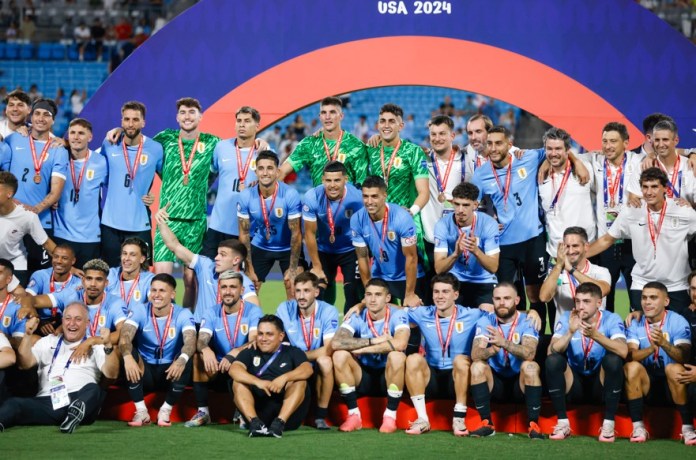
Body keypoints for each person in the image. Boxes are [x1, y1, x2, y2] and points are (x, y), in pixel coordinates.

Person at [471, 126, 549, 330]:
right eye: (490, 143)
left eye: (498, 143)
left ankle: (539, 341)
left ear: (509, 144)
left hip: (533, 239)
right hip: (504, 244)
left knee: (536, 294)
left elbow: (555, 151)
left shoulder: (528, 159)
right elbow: (472, 207)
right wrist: (487, 223)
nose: (493, 148)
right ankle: (515, 338)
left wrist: (574, 162)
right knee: (510, 296)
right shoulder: (481, 174)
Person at [588, 168, 696, 316]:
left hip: (677, 285)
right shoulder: (631, 210)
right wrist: (580, 256)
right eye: (645, 187)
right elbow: (608, 239)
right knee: (643, 334)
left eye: (654, 187)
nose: (649, 192)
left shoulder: (682, 210)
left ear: (665, 188)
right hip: (642, 283)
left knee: (679, 335)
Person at [0, 303, 118, 433]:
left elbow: (111, 374)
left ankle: (75, 414)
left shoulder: (95, 346)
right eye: (68, 318)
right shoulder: (49, 341)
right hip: (47, 402)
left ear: (87, 323)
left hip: (77, 398)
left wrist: (107, 345)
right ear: (62, 321)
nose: (72, 323)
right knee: (14, 404)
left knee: (93, 389)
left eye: (78, 319)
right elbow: (24, 364)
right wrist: (28, 334)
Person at [152, 98, 220, 308]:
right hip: (167, 220)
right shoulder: (165, 138)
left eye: (192, 112)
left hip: (195, 222)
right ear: (177, 117)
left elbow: (235, 152)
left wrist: (259, 143)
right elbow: (142, 151)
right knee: (161, 281)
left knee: (192, 281)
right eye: (183, 112)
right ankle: (161, 326)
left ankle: (188, 323)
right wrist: (117, 130)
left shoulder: (212, 142)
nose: (187, 116)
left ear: (200, 116)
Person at [403, 274, 491, 436]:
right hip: (432, 379)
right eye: (436, 292)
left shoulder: (472, 314)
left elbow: (504, 314)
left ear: (455, 295)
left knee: (461, 360)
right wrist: (360, 305)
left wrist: (531, 312)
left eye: (445, 292)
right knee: (413, 359)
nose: (440, 296)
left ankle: (459, 418)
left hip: (458, 379)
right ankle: (422, 419)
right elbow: (391, 310)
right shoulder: (424, 313)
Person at [545, 282, 627, 442]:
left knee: (613, 360)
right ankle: (562, 423)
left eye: (586, 301)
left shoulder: (611, 318)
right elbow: (550, 351)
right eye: (578, 301)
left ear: (598, 303)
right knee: (553, 361)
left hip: (600, 385)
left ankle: (609, 425)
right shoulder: (568, 317)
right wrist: (570, 331)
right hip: (574, 384)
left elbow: (623, 351)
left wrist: (596, 336)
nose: (580, 306)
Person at [331, 278, 410, 433]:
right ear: (364, 297)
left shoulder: (398, 315)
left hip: (388, 376)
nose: (372, 299)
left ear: (387, 298)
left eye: (378, 295)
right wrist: (373, 340)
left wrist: (362, 350)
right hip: (363, 375)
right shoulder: (357, 315)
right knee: (339, 355)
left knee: (397, 356)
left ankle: (390, 417)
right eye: (369, 294)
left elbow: (400, 343)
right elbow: (336, 343)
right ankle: (354, 415)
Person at [186, 270, 262, 427]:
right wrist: (206, 350)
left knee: (249, 359)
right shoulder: (212, 312)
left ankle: (242, 411)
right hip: (218, 366)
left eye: (233, 287)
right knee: (198, 357)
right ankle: (203, 412)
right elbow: (201, 340)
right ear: (219, 290)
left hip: (242, 365)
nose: (228, 292)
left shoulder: (253, 311)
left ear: (242, 290)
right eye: (224, 287)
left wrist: (233, 354)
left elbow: (254, 341)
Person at [118, 273, 196, 427]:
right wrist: (127, 357)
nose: (156, 295)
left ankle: (165, 410)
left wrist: (181, 360)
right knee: (127, 352)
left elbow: (191, 341)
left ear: (172, 294)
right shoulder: (140, 310)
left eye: (162, 291)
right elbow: (125, 337)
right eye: (153, 290)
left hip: (170, 372)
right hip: (145, 371)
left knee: (186, 357)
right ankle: (141, 412)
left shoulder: (183, 314)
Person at [156, 206, 259, 322]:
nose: (216, 258)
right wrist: (161, 222)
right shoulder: (206, 266)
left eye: (223, 255)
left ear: (236, 260)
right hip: (200, 327)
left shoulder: (244, 281)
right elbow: (174, 245)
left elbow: (255, 311)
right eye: (218, 253)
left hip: (224, 331)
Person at [1, 98, 68, 274]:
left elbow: (56, 191)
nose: (41, 118)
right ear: (31, 115)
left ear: (53, 120)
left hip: (40, 221)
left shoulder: (58, 149)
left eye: (47, 115)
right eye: (37, 113)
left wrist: (34, 210)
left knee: (39, 274)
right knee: (8, 274)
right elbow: (3, 179)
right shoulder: (13, 140)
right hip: (9, 218)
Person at [470, 282, 544, 439]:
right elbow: (475, 354)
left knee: (530, 366)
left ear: (516, 300)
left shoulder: (527, 321)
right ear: (493, 300)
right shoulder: (486, 321)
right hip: (495, 383)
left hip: (519, 384)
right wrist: (492, 350)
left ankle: (533, 425)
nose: (502, 302)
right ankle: (486, 424)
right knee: (477, 366)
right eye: (497, 298)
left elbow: (530, 353)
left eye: (507, 298)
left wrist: (503, 342)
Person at [623, 282, 694, 444]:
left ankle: (688, 428)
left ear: (666, 302)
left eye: (653, 298)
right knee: (631, 367)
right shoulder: (636, 322)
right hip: (646, 384)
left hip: (674, 386)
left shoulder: (677, 321)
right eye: (644, 298)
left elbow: (684, 356)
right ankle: (638, 427)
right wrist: (651, 348)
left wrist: (664, 343)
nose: (647, 302)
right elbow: (629, 355)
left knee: (674, 368)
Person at [19, 259, 128, 359]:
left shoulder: (115, 302)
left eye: (99, 279)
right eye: (89, 279)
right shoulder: (71, 294)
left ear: (106, 283)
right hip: (69, 345)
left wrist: (91, 341)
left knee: (116, 351)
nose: (93, 284)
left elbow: (122, 332)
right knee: (33, 340)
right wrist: (29, 309)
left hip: (97, 347)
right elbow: (31, 300)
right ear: (83, 281)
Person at [99, 101, 163, 267]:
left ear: (143, 122)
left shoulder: (155, 149)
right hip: (110, 225)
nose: (130, 124)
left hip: (139, 223)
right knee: (111, 276)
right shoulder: (109, 143)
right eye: (126, 119)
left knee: (142, 276)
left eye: (135, 119)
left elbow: (168, 180)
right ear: (121, 121)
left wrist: (154, 194)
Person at [367, 103, 430, 272]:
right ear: (377, 125)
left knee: (414, 274)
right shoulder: (370, 150)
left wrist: (410, 212)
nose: (386, 125)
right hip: (378, 222)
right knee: (382, 278)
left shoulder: (413, 152)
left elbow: (424, 192)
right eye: (382, 121)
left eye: (391, 121)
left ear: (400, 126)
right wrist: (320, 132)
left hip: (405, 221)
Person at [230, 314, 313, 438]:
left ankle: (279, 424)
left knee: (300, 381)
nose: (263, 338)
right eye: (260, 334)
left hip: (288, 418)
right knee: (238, 382)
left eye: (269, 334)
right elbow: (234, 369)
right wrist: (257, 382)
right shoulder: (249, 352)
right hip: (258, 412)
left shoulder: (293, 352)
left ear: (281, 336)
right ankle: (255, 424)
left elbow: (307, 369)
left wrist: (284, 378)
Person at [275, 272, 338, 430]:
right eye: (298, 291)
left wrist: (302, 357)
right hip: (294, 364)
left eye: (306, 291)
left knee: (326, 361)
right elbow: (277, 343)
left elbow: (330, 347)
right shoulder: (284, 309)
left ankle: (320, 416)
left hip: (315, 360)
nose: (301, 296)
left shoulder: (328, 311)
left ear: (316, 292)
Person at [203, 106, 268, 257]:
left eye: (247, 121)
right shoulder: (221, 147)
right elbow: (210, 176)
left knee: (245, 277)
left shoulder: (265, 153)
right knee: (209, 271)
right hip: (218, 225)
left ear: (257, 125)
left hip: (248, 228)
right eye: (239, 121)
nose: (242, 125)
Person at [350, 175, 424, 307]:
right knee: (377, 320)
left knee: (412, 323)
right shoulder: (357, 219)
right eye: (365, 196)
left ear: (384, 196)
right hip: (381, 276)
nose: (369, 201)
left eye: (374, 196)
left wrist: (410, 294)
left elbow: (411, 257)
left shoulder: (401, 218)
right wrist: (369, 291)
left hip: (407, 277)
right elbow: (362, 257)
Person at [590, 122, 640, 312]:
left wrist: (692, 153)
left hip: (632, 242)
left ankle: (636, 339)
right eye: (604, 141)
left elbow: (666, 150)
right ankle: (608, 339)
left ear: (626, 143)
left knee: (636, 300)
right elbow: (562, 153)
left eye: (613, 141)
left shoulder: (638, 161)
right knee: (604, 300)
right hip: (606, 243)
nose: (608, 146)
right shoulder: (594, 160)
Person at [238, 151, 302, 296]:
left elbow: (296, 234)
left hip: (287, 247)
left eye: (270, 168)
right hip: (261, 245)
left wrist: (292, 269)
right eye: (261, 168)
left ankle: (292, 319)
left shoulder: (290, 195)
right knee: (248, 287)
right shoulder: (246, 196)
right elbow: (244, 233)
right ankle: (251, 319)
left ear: (277, 171)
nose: (265, 173)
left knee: (293, 284)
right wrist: (249, 268)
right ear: (256, 171)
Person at [302, 161, 363, 312]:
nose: (332, 185)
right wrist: (316, 267)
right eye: (328, 180)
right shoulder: (312, 197)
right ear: (322, 180)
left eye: (337, 180)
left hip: (350, 250)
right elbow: (309, 233)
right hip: (323, 250)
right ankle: (323, 328)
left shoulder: (358, 198)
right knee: (317, 291)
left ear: (346, 180)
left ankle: (348, 332)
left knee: (353, 292)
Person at [433, 182, 499, 309]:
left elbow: (493, 267)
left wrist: (476, 251)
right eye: (457, 204)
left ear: (475, 205)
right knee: (449, 316)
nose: (460, 210)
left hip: (483, 281)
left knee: (486, 317)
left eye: (465, 205)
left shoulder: (489, 224)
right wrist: (455, 254)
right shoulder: (442, 225)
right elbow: (439, 269)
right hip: (455, 280)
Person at [279, 97, 368, 187]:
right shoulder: (309, 144)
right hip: (319, 199)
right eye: (323, 113)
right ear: (320, 117)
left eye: (332, 112)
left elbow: (363, 183)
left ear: (341, 116)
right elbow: (282, 171)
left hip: (347, 199)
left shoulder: (356, 146)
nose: (327, 117)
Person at [53, 118, 107, 267]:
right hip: (61, 233)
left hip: (90, 237)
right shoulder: (58, 157)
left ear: (90, 137)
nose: (76, 137)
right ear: (67, 136)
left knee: (87, 284)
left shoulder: (101, 162)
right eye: (72, 133)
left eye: (81, 133)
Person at [538, 127, 596, 258]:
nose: (553, 153)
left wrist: (575, 160)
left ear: (567, 150)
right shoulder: (541, 174)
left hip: (585, 253)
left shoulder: (585, 169)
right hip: (555, 253)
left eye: (558, 149)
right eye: (549, 149)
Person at [540, 227, 611, 320]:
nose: (571, 251)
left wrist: (571, 270)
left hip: (593, 331)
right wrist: (558, 266)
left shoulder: (600, 271)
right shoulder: (557, 273)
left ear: (586, 246)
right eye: (567, 246)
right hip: (565, 332)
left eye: (575, 246)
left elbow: (601, 291)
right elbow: (544, 297)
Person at [0, 171, 58, 285]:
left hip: (15, 265)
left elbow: (47, 243)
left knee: (17, 300)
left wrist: (68, 266)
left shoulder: (27, 216)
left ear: (9, 194)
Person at [627, 120, 693, 204]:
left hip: (685, 216)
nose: (661, 144)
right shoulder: (643, 166)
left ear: (676, 140)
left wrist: (690, 205)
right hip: (652, 216)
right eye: (657, 140)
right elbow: (633, 199)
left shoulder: (690, 165)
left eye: (665, 140)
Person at [25, 244, 81, 335]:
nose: (59, 261)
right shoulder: (40, 275)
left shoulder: (77, 283)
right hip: (40, 322)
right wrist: (38, 321)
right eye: (56, 257)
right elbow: (27, 299)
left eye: (64, 258)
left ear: (73, 261)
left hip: (66, 325)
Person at [105, 238, 154, 312]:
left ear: (142, 259)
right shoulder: (111, 274)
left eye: (132, 255)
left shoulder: (149, 279)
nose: (127, 258)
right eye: (124, 253)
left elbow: (155, 302)